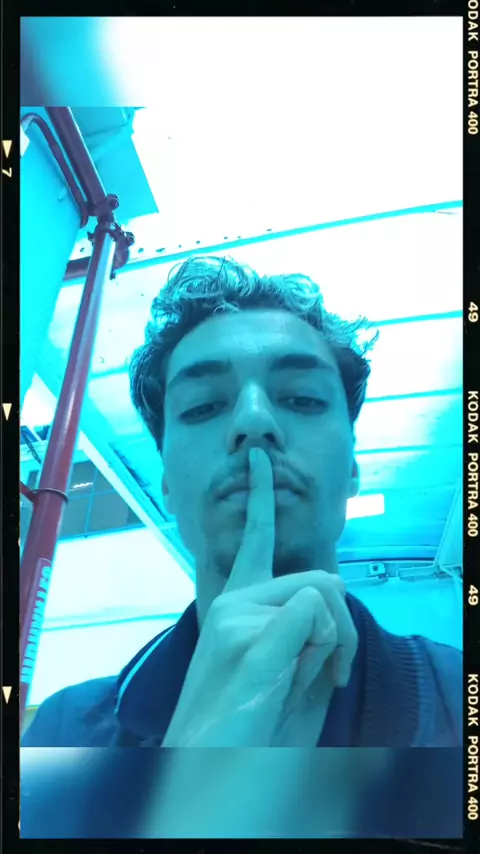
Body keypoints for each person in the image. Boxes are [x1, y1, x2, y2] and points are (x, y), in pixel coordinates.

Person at [21, 256, 461, 750]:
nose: (253, 421)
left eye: (303, 398)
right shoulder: (62, 734)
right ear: (167, 486)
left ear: (353, 470)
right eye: (203, 406)